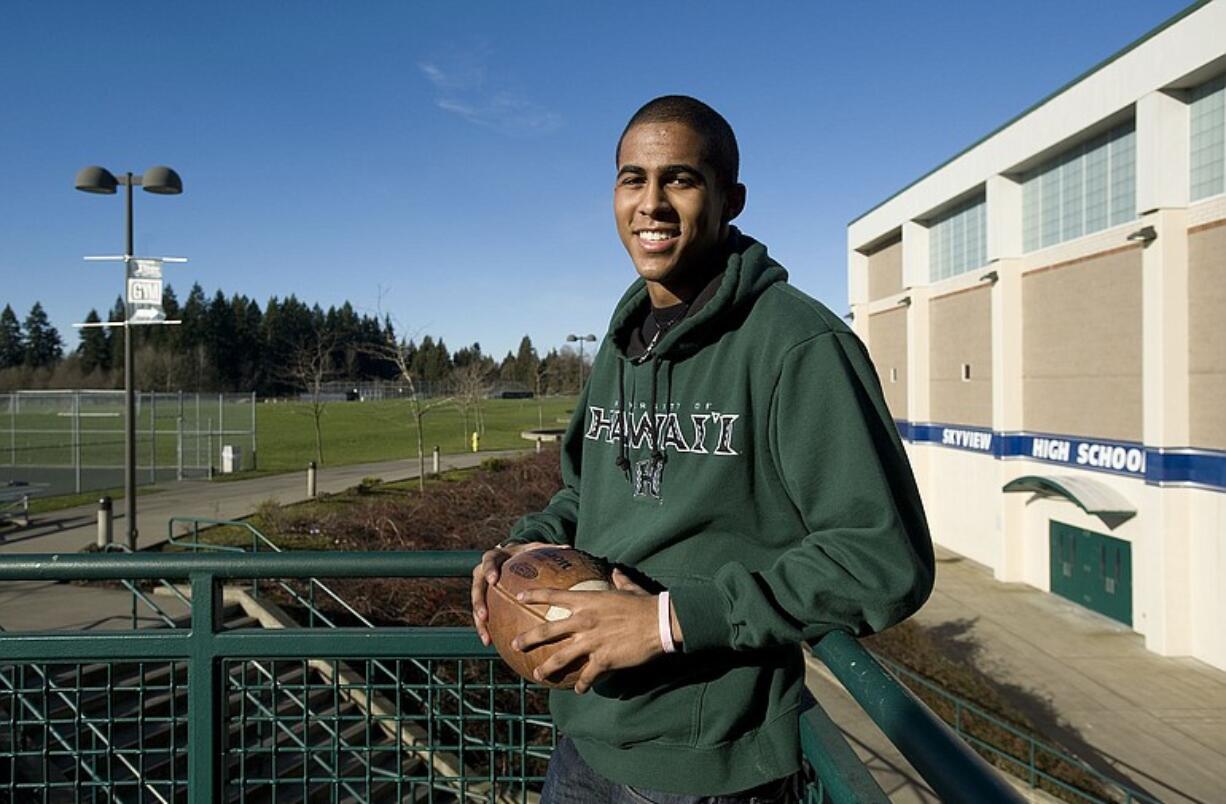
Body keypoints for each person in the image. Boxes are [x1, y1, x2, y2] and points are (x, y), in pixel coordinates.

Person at [471, 95, 934, 802]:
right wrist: (519, 553)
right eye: (633, 179)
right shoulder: (623, 341)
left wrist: (667, 621)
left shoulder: (799, 345)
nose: (650, 203)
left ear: (730, 197)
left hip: (707, 768)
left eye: (679, 179)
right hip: (583, 738)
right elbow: (583, 493)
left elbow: (881, 555)